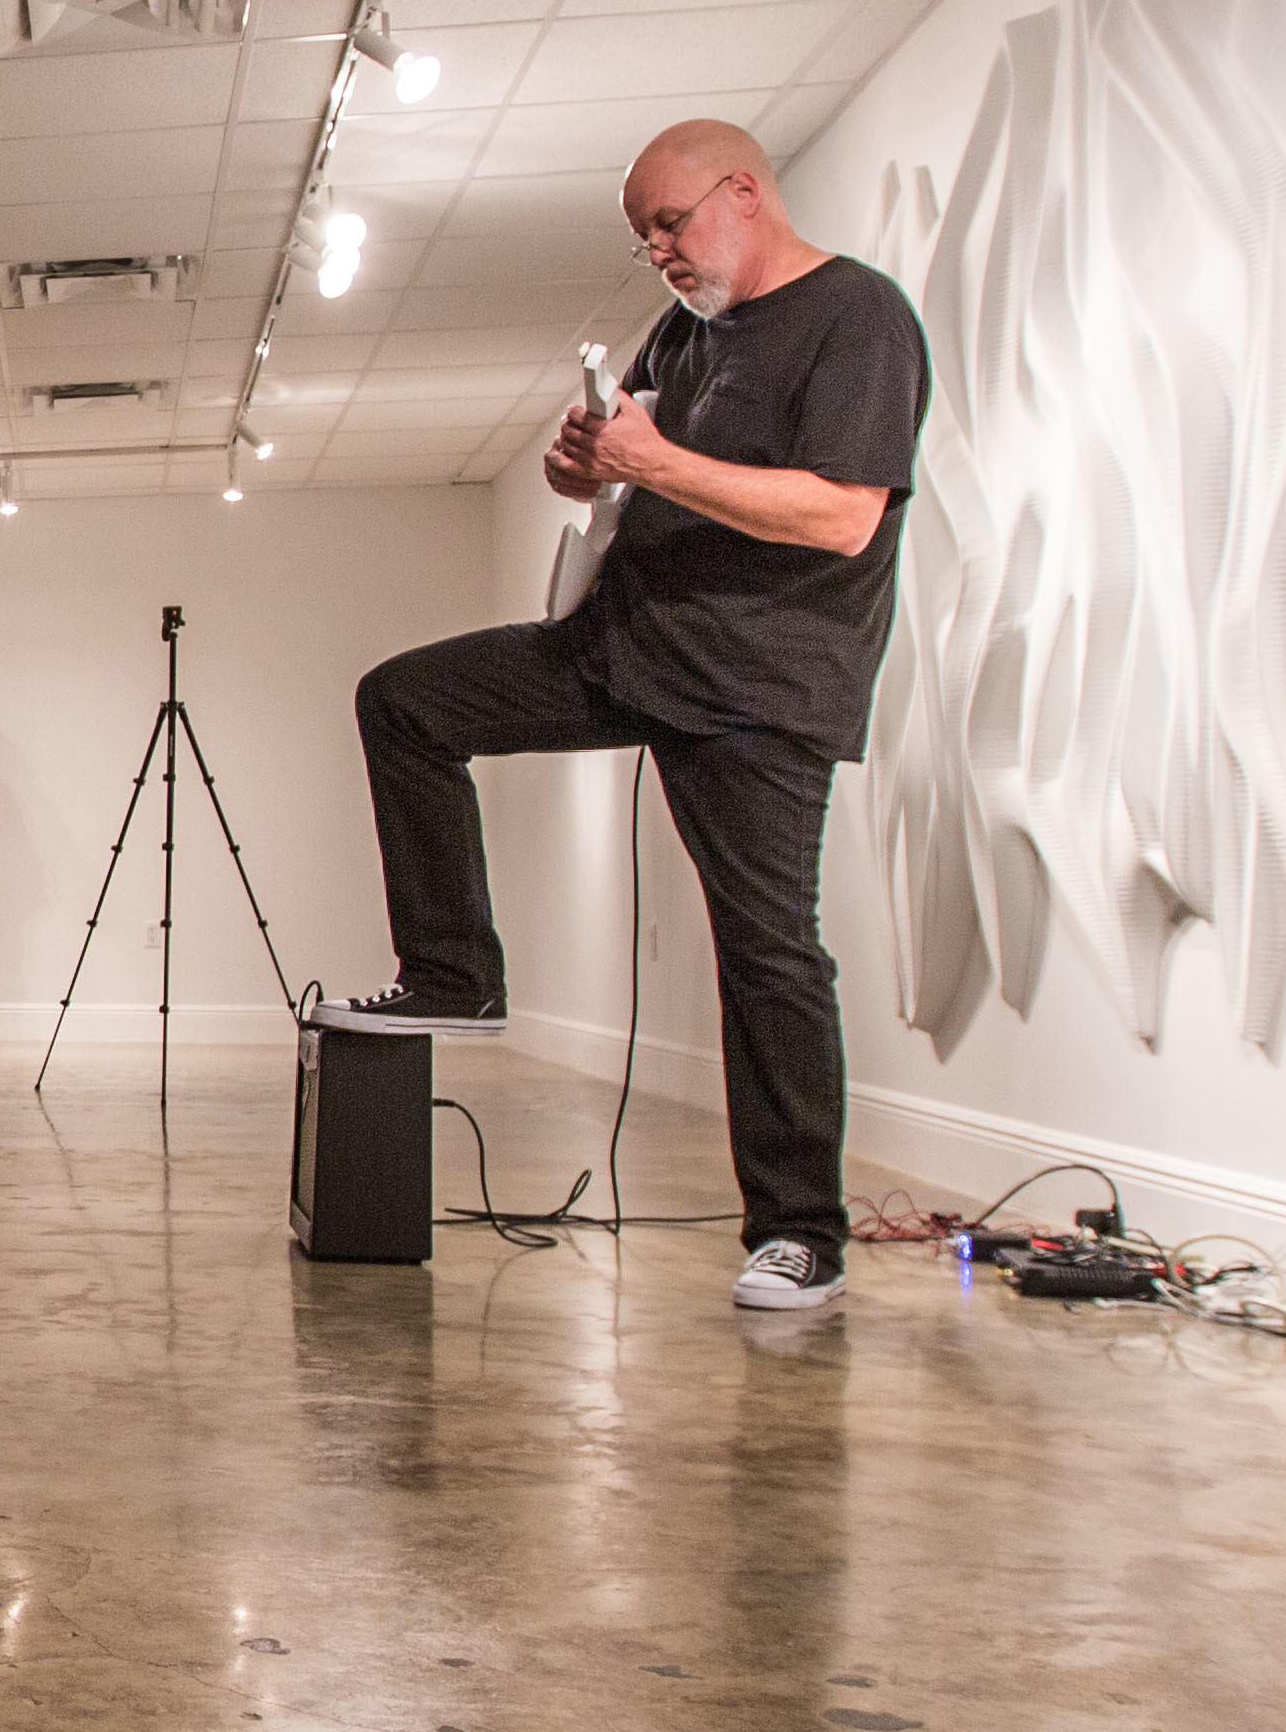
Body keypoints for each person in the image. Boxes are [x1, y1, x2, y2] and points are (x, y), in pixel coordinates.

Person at [347, 117, 932, 1313]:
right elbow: (636, 452)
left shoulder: (857, 317)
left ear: (744, 191)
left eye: (673, 222)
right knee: (406, 701)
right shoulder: (690, 331)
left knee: (766, 948)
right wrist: (591, 464)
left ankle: (799, 1232)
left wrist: (653, 466)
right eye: (644, 236)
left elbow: (842, 517)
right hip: (624, 648)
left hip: (757, 691)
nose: (660, 250)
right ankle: (455, 973)